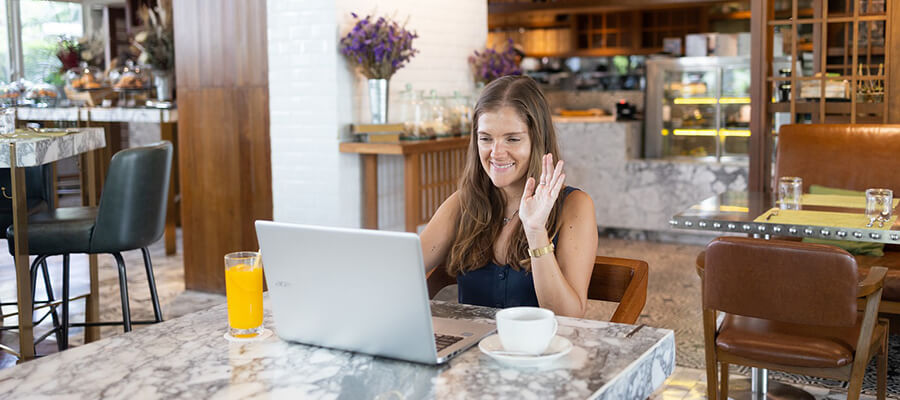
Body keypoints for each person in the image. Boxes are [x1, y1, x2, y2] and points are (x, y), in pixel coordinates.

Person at [420, 75, 598, 318]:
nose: (496, 153)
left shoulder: (575, 206)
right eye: (485, 138)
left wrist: (535, 231)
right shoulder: (463, 203)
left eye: (512, 139)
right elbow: (404, 269)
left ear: (538, 140)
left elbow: (568, 317)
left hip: (541, 352)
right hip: (472, 353)